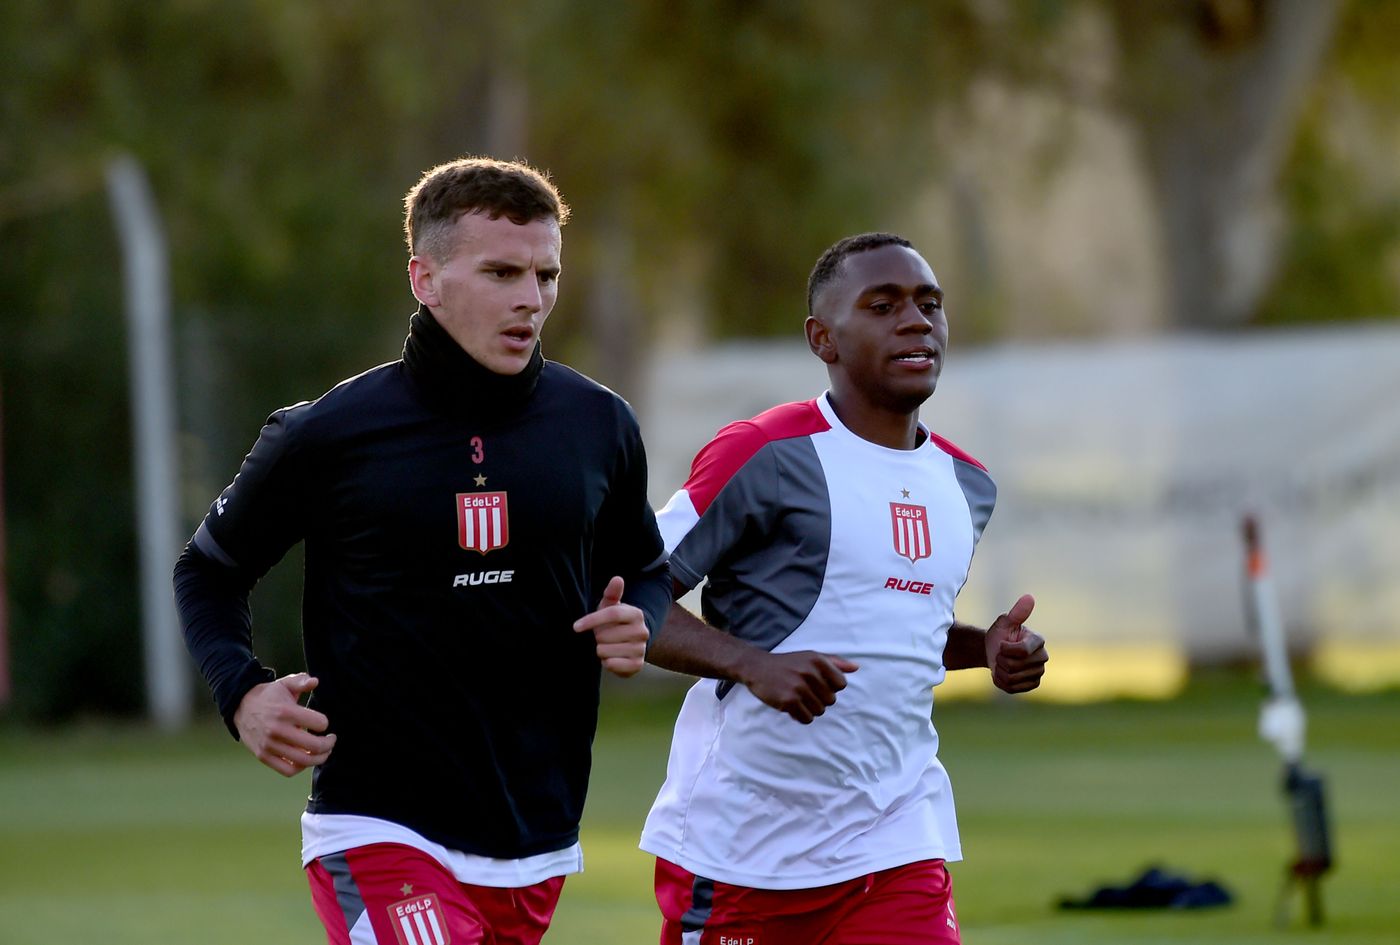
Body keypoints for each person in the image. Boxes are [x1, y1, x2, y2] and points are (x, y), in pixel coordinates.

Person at [174, 156, 670, 945]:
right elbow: (208, 568)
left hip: (535, 837)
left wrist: (638, 617)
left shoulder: (598, 424)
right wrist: (242, 693)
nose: (530, 299)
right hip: (377, 825)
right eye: (501, 271)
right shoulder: (328, 433)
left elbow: (645, 566)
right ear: (425, 278)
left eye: (546, 274)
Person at [640, 232, 1049, 944]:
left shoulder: (967, 484)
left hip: (895, 840)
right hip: (743, 847)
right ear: (822, 338)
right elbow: (630, 596)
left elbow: (895, 626)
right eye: (883, 305)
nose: (916, 321)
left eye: (929, 304)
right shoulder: (763, 452)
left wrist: (987, 648)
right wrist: (752, 664)